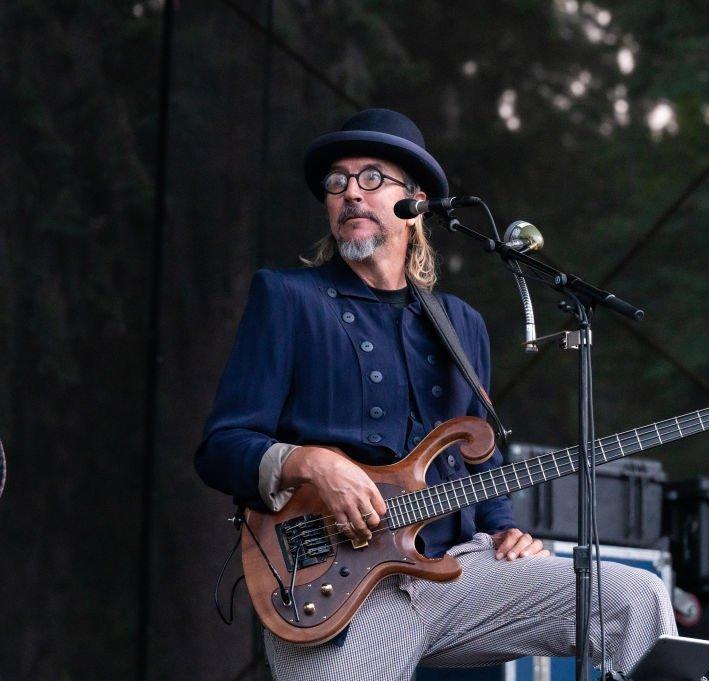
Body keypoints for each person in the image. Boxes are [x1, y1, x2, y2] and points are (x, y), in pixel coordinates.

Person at [195, 108, 676, 681]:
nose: (351, 192)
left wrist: (504, 529)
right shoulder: (287, 297)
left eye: (372, 177)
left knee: (633, 596)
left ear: (416, 202)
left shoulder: (460, 323)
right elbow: (221, 447)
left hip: (457, 572)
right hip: (337, 588)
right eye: (338, 181)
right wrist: (311, 462)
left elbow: (481, 452)